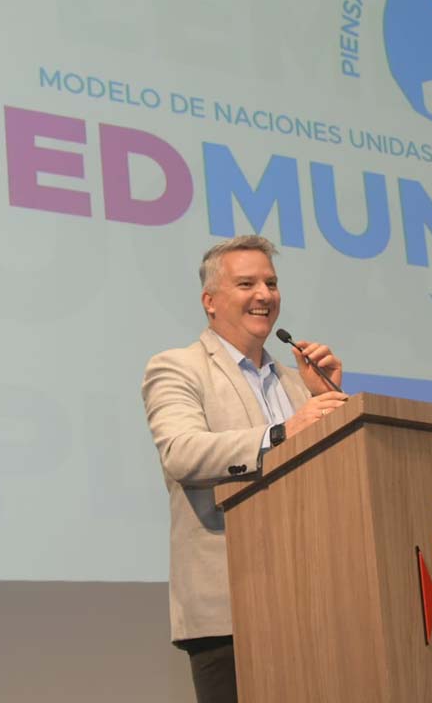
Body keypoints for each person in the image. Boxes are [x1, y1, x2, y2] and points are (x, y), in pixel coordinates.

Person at [141, 235, 348, 703]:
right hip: (231, 610)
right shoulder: (178, 368)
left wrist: (325, 397)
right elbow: (181, 452)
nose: (264, 295)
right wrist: (281, 433)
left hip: (316, 604)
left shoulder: (298, 384)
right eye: (247, 283)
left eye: (271, 283)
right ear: (210, 301)